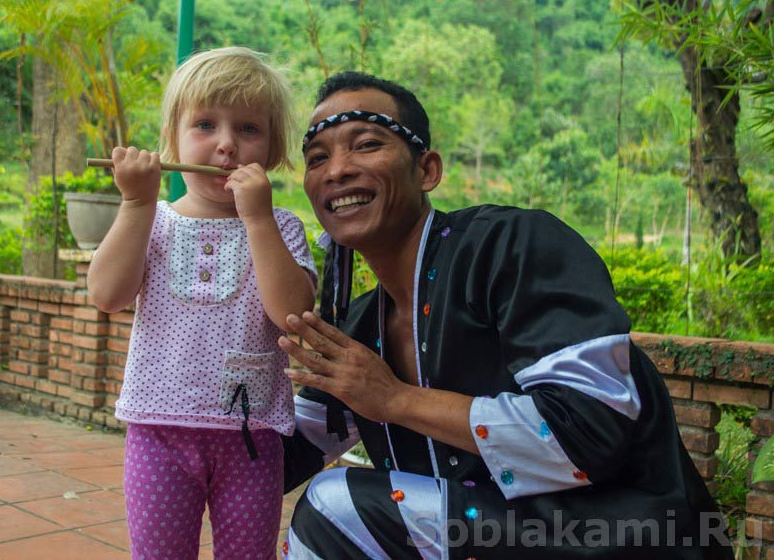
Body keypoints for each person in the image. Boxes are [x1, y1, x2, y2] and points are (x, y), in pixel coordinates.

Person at [276, 71, 733, 559]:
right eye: (317, 158)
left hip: (624, 540)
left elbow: (586, 436)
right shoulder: (362, 326)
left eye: (365, 145)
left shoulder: (513, 247)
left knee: (335, 506)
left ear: (427, 169)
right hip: (493, 539)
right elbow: (284, 456)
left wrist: (394, 399)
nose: (336, 170)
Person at [87, 47, 317, 559]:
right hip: (158, 433)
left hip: (251, 436)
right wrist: (135, 203)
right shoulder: (152, 220)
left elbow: (293, 315)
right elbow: (107, 295)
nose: (227, 146)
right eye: (206, 125)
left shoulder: (282, 228)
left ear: (274, 149)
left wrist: (256, 219)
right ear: (172, 140)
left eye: (249, 130)